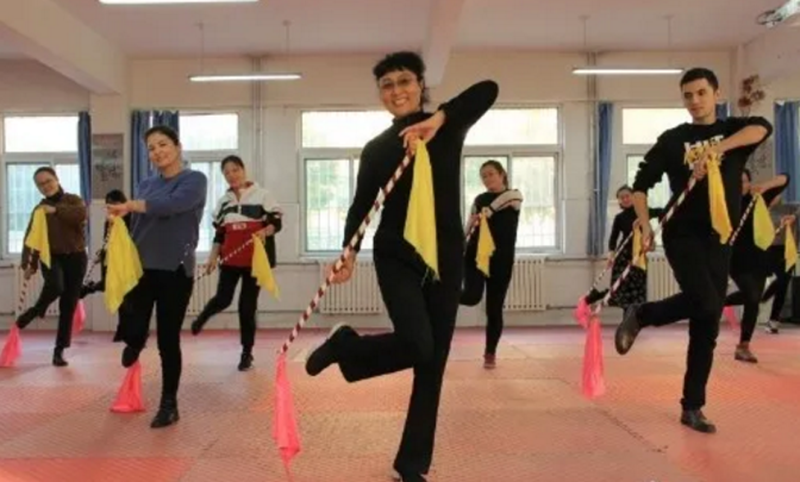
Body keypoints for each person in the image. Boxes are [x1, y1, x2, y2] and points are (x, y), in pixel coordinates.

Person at [302, 51, 498, 481]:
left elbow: (489, 90)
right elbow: (361, 206)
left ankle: (411, 465)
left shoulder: (446, 129)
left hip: (444, 257)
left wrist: (439, 118)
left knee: (432, 363)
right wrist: (348, 252)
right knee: (417, 344)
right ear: (381, 94)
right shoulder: (377, 149)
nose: (397, 91)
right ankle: (346, 346)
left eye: (405, 81)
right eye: (387, 85)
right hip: (395, 255)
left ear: (421, 85)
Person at [613, 67, 772, 434]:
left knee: (707, 322)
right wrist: (644, 223)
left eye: (702, 93)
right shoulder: (673, 140)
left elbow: (763, 127)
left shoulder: (733, 130)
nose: (695, 101)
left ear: (716, 94)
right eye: (688, 95)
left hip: (721, 237)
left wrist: (717, 148)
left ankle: (692, 406)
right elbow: (640, 185)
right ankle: (643, 314)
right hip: (682, 233)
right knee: (706, 301)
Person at [107, 125, 207, 429]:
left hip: (175, 270)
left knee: (167, 339)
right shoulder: (146, 184)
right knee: (133, 324)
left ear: (177, 146)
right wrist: (121, 223)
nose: (157, 152)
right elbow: (140, 223)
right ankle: (135, 343)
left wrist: (132, 205)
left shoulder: (194, 180)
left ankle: (168, 404)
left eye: (163, 144)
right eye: (151, 148)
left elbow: (172, 206)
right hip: (142, 268)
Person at [190, 155, 283, 371]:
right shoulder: (224, 202)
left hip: (255, 262)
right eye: (226, 173)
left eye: (235, 170)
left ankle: (246, 353)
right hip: (230, 259)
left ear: (243, 170)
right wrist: (212, 257)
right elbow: (220, 234)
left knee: (246, 307)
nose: (231, 175)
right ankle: (202, 317)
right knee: (223, 299)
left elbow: (276, 223)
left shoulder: (262, 195)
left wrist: (265, 231)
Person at [16, 167, 88, 367]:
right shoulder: (39, 210)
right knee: (55, 285)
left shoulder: (73, 200)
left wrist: (56, 210)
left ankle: (59, 350)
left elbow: (81, 215)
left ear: (56, 179)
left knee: (68, 304)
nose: (45, 186)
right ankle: (35, 310)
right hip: (51, 257)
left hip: (76, 257)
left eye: (48, 181)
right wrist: (29, 264)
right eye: (40, 184)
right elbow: (31, 238)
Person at [459, 160, 522, 369]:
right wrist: (460, 243)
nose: (487, 179)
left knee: (494, 309)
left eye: (491, 174)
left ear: (502, 174)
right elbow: (470, 223)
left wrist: (490, 211)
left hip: (501, 261)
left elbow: (507, 199)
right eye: (483, 176)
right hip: (475, 256)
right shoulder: (479, 199)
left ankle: (490, 353)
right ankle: (441, 295)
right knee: (471, 296)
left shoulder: (513, 196)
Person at [723, 170, 788, 363]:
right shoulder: (725, 202)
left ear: (749, 183)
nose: (741, 185)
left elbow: (786, 178)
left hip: (758, 258)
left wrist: (765, 186)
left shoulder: (757, 199)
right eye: (737, 181)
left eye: (744, 181)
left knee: (753, 300)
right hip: (735, 259)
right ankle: (720, 302)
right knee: (752, 295)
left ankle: (743, 346)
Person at [585, 185, 663, 308]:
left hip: (639, 256)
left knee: (637, 292)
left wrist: (646, 224)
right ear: (619, 201)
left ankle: (631, 317)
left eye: (627, 196)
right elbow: (613, 238)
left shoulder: (644, 212)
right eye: (622, 198)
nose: (625, 199)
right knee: (619, 290)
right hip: (623, 256)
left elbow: (662, 212)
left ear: (633, 197)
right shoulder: (619, 218)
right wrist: (611, 254)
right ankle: (597, 296)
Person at [80, 189, 133, 342]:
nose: (110, 207)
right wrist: (101, 254)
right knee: (112, 289)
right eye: (108, 204)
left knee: (127, 298)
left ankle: (126, 331)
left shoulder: (131, 218)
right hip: (109, 260)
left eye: (114, 203)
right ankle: (122, 331)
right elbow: (107, 241)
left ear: (122, 203)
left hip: (126, 262)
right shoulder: (109, 221)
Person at [760, 200, 799, 334]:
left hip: (788, 249)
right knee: (775, 279)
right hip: (770, 250)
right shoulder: (763, 209)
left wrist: (794, 216)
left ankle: (773, 320)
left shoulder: (790, 207)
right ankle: (761, 299)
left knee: (783, 283)